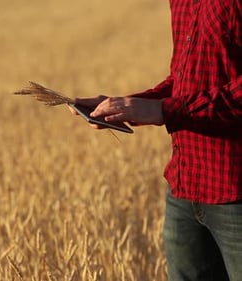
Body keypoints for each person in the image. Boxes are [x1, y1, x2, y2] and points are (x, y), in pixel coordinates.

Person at [68, 0, 242, 280]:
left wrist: (162, 111)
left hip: (235, 192)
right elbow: (183, 80)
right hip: (184, 188)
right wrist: (130, 105)